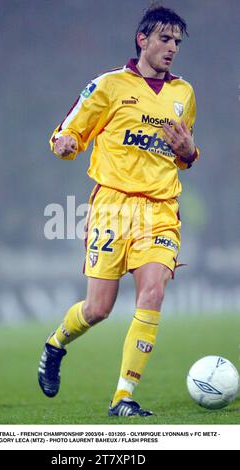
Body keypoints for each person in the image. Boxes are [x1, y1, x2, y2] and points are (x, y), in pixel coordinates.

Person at [38, 5, 199, 417]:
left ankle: (123, 396)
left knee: (153, 290)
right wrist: (65, 144)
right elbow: (68, 131)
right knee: (98, 309)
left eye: (177, 42)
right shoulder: (108, 85)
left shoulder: (184, 94)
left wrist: (189, 152)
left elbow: (185, 153)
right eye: (165, 39)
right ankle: (55, 344)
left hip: (161, 208)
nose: (172, 48)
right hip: (112, 206)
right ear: (142, 40)